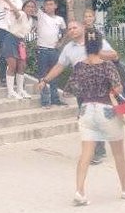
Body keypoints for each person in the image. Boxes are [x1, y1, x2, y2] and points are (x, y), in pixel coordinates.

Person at [40, 28, 125, 206]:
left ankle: (80, 192)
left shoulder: (80, 66)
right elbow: (117, 88)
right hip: (106, 110)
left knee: (85, 154)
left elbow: (68, 91)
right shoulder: (107, 65)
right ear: (100, 45)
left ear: (86, 45)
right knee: (118, 153)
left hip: (86, 110)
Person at [36, 20, 120, 164]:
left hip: (100, 87)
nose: (72, 30)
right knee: (86, 119)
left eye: (75, 27)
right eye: (69, 29)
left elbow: (113, 55)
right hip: (83, 89)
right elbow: (59, 66)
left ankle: (98, 152)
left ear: (82, 28)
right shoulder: (69, 48)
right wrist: (45, 80)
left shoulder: (95, 41)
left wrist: (96, 52)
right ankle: (96, 150)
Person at [0, 0, 35, 99]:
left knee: (21, 66)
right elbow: (17, 13)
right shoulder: (21, 14)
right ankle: (10, 91)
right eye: (28, 6)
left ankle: (20, 90)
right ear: (24, 8)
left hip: (21, 42)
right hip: (11, 39)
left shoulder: (31, 20)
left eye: (33, 7)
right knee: (12, 66)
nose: (31, 8)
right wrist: (8, 1)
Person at [35, 0, 67, 108]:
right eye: (47, 4)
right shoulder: (41, 15)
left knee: (55, 75)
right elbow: (32, 1)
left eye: (51, 4)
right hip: (42, 50)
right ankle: (45, 101)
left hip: (54, 50)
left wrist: (61, 42)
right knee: (42, 75)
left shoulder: (60, 19)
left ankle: (55, 99)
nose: (49, 6)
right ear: (44, 6)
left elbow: (64, 31)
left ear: (55, 6)